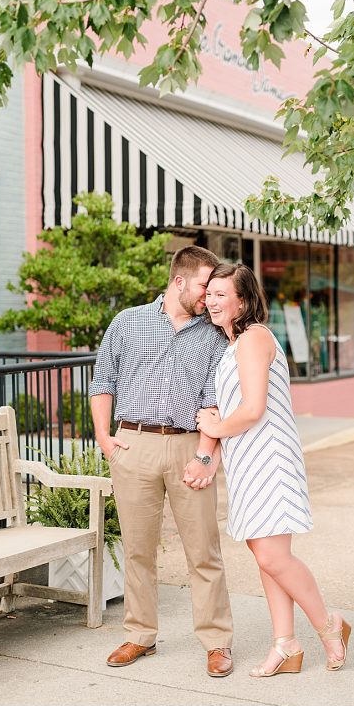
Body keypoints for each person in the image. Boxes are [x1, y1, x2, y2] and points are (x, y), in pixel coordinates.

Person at [195, 263, 351, 678]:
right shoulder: (232, 345)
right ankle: (285, 644)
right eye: (209, 293)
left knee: (273, 555)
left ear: (243, 301)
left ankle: (328, 625)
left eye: (221, 295)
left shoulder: (253, 338)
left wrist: (213, 426)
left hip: (270, 457)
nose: (211, 301)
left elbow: (252, 409)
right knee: (265, 557)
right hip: (248, 459)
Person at [89, 245, 235, 678]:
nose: (210, 297)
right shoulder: (127, 322)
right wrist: (104, 438)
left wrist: (206, 456)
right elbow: (103, 380)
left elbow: (215, 399)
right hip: (133, 445)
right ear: (179, 282)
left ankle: (216, 641)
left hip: (190, 445)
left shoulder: (214, 334)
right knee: (137, 550)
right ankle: (140, 635)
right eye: (205, 287)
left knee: (203, 550)